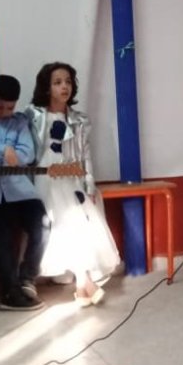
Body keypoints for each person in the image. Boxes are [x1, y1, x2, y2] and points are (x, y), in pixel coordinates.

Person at [26, 62, 120, 307]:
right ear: (46, 87)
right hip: (46, 176)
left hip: (72, 176)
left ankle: (82, 283)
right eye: (57, 82)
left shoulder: (79, 120)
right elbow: (30, 152)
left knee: (79, 223)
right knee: (64, 223)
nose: (64, 87)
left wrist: (89, 183)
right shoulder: (35, 115)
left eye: (68, 82)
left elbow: (85, 154)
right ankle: (83, 282)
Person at [0, 74, 47, 312]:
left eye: (10, 108)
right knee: (2, 240)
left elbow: (27, 154)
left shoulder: (20, 122)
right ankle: (10, 291)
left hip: (21, 190)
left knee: (42, 225)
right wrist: (5, 150)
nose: (4, 113)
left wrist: (7, 153)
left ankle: (27, 277)